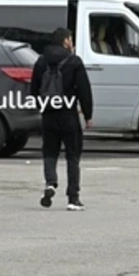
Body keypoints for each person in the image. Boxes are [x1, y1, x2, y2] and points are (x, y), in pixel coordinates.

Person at [32, 27, 94, 211]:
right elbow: (84, 90)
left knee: (50, 152)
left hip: (49, 115)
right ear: (66, 41)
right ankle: (73, 198)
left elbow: (34, 89)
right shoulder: (74, 61)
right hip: (68, 115)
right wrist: (88, 115)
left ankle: (50, 183)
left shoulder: (41, 61)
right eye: (70, 39)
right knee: (73, 156)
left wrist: (42, 107)